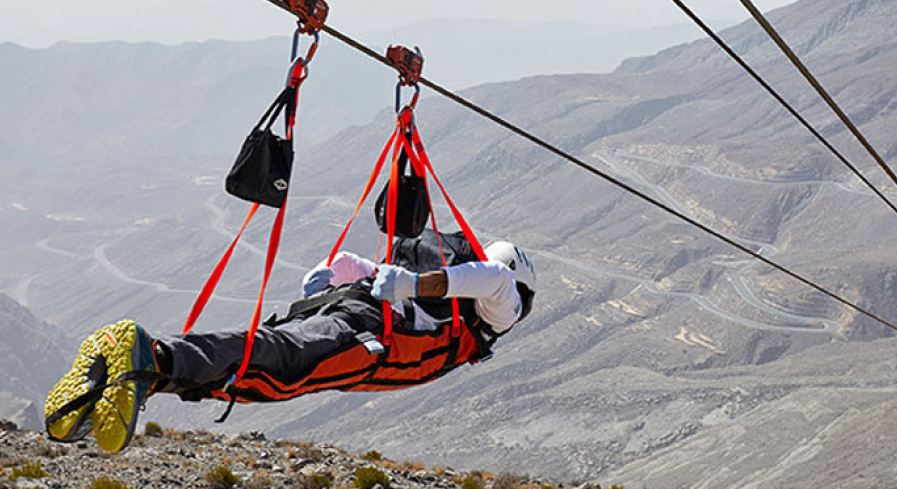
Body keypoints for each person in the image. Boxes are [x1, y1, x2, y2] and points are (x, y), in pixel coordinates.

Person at [44, 231, 536, 453]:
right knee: (276, 369)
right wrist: (408, 286)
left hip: (361, 319)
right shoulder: (497, 304)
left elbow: (355, 267)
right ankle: (147, 356)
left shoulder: (450, 297)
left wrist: (338, 274)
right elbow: (494, 279)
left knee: (267, 365)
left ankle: (134, 376)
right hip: (371, 341)